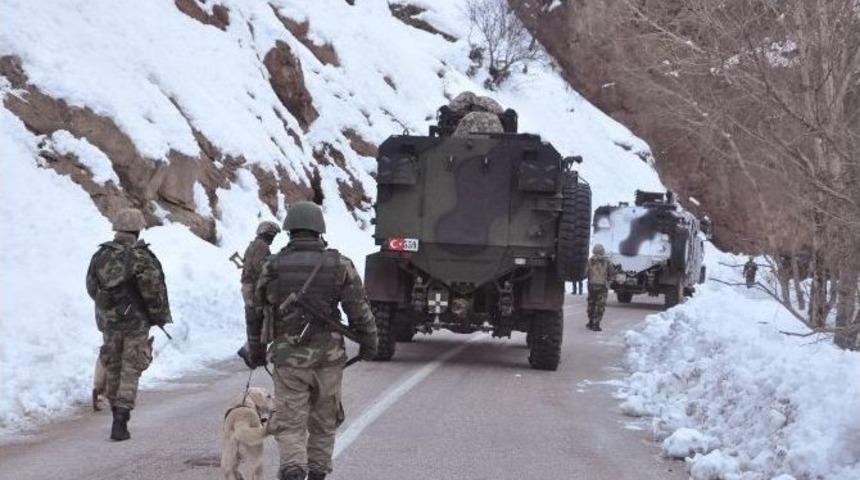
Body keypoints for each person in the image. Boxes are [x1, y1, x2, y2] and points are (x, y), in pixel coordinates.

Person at [251, 201, 378, 480]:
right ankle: (318, 472)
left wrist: (256, 348)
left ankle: (293, 468)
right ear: (319, 229)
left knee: (290, 420)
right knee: (324, 420)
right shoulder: (339, 264)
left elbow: (256, 309)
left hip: (288, 356)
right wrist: (370, 343)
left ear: (290, 230)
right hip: (328, 358)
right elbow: (359, 309)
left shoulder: (273, 265)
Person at [85, 208, 172, 441]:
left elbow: (92, 288)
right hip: (136, 323)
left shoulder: (100, 255)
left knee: (113, 366)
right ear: (137, 229)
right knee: (131, 368)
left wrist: (110, 309)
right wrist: (156, 315)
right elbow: (154, 291)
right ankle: (121, 418)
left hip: (110, 324)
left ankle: (115, 409)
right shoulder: (141, 256)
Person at [241, 220, 281, 343]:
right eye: (272, 234)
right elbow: (262, 270)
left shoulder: (253, 245)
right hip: (255, 291)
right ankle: (255, 353)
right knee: (260, 323)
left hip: (249, 290)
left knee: (253, 324)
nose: (273, 237)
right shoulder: (261, 247)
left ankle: (254, 351)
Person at [586, 244, 616, 331]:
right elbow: (612, 274)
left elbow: (585, 273)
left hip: (591, 285)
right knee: (600, 306)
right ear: (602, 251)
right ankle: (596, 324)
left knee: (591, 304)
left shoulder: (590, 261)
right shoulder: (607, 261)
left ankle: (590, 322)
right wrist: (609, 282)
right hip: (602, 287)